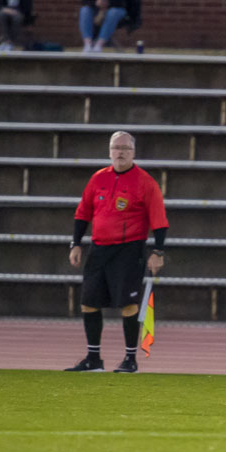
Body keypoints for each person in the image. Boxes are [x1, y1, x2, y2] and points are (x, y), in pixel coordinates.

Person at [65, 131, 168, 374]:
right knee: (89, 302)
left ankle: (130, 359)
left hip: (129, 249)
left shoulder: (145, 182)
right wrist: (76, 243)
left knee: (128, 304)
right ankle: (93, 359)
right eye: (115, 147)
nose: (120, 152)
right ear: (109, 151)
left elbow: (159, 220)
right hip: (99, 249)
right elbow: (82, 213)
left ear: (133, 152)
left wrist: (158, 251)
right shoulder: (98, 178)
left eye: (125, 148)